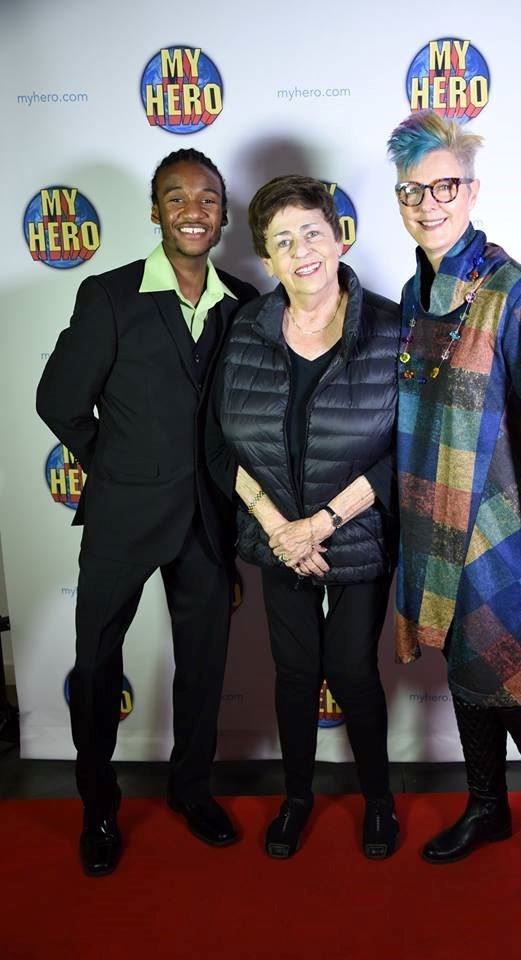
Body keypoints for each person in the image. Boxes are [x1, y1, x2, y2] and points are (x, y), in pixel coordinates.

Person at [36, 148, 257, 877]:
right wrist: (121, 467)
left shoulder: (245, 302)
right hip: (122, 518)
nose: (193, 210)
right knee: (97, 665)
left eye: (208, 198)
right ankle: (98, 807)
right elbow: (58, 400)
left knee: (203, 666)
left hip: (207, 519)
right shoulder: (109, 295)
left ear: (224, 212)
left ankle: (192, 790)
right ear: (156, 210)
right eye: (176, 197)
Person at [387, 111, 521, 911]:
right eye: (413, 190)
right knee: (467, 678)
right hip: (432, 531)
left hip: (502, 541)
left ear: (471, 191)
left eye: (444, 186)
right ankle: (487, 807)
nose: (428, 203)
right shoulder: (414, 290)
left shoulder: (517, 294)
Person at [210, 175, 400, 860]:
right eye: (282, 241)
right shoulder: (245, 329)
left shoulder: (388, 326)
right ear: (266, 258)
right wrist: (276, 527)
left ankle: (380, 800)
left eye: (311, 232)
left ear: (339, 237)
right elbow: (218, 443)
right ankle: (297, 798)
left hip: (355, 533)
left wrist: (320, 522)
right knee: (294, 673)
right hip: (278, 540)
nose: (301, 251)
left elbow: (405, 451)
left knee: (351, 671)